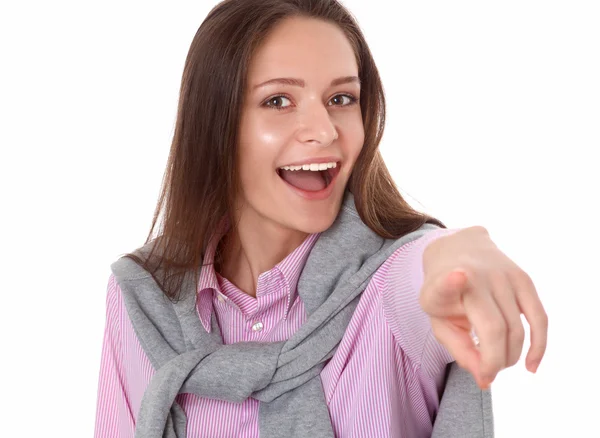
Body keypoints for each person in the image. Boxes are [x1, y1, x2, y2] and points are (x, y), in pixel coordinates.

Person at [94, 0, 548, 437]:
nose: (326, 130)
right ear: (217, 123)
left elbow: (426, 267)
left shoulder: (385, 291)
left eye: (341, 97)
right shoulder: (144, 298)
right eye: (278, 101)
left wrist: (461, 255)